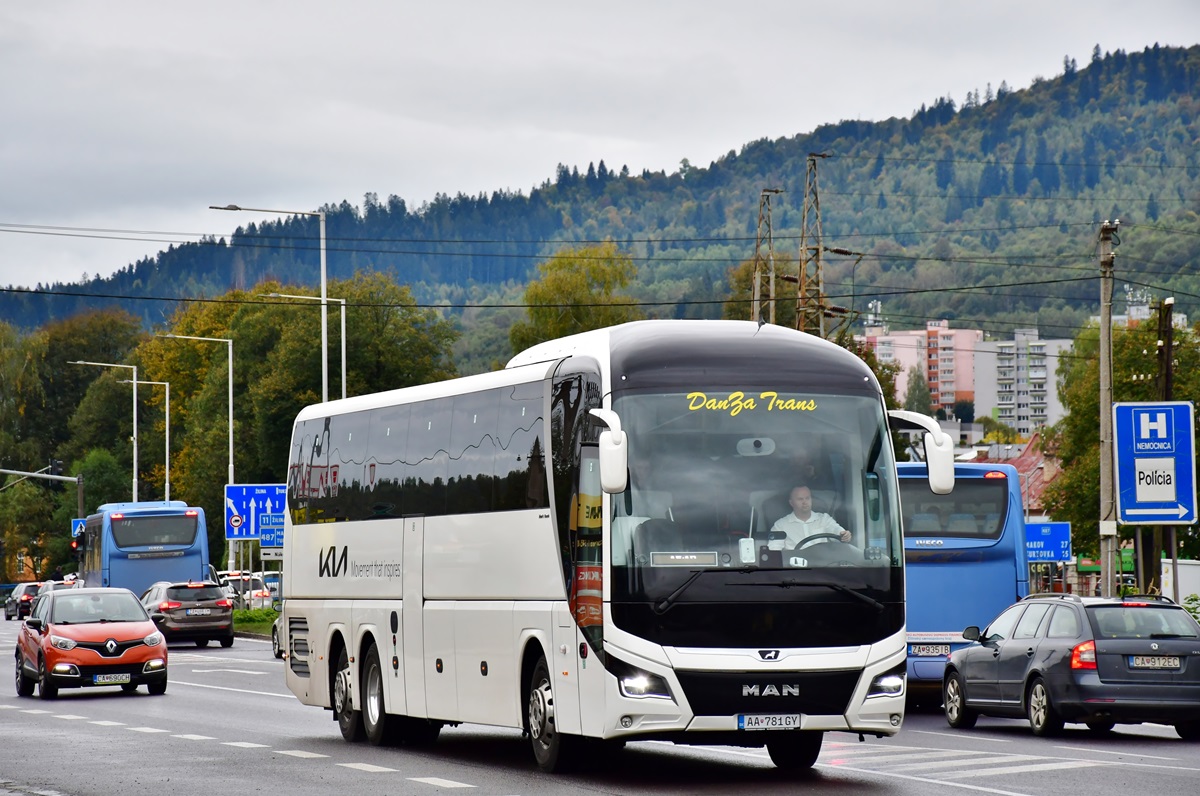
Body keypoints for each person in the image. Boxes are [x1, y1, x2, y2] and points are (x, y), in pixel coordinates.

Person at [770, 485, 851, 548]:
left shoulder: (824, 519)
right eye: (800, 499)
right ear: (791, 503)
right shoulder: (780, 526)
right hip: (795, 568)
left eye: (807, 498)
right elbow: (773, 552)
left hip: (823, 566)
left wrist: (844, 535)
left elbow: (837, 531)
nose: (805, 502)